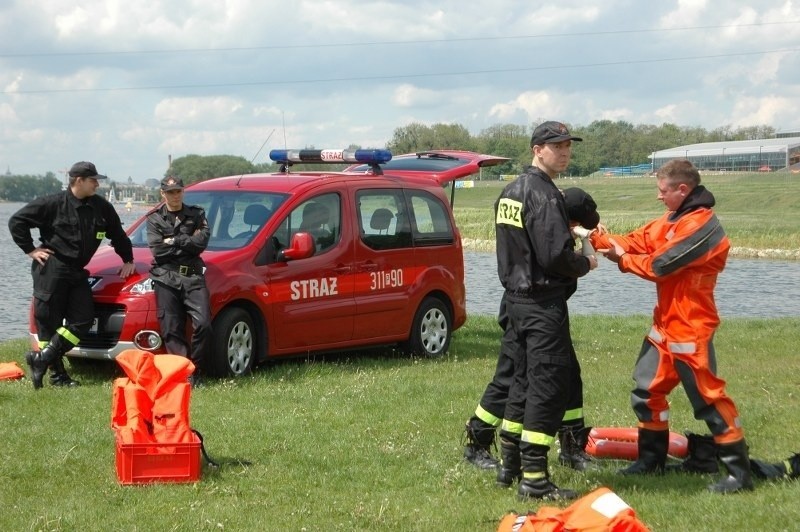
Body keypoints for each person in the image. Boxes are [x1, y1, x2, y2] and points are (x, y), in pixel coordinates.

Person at [589, 158, 753, 493]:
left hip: (691, 327)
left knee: (708, 399)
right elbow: (638, 240)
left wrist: (621, 259)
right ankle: (652, 461)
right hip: (665, 325)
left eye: (663, 191)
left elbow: (661, 265)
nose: (658, 197)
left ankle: (739, 473)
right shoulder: (672, 220)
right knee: (646, 392)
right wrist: (595, 238)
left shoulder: (704, 227)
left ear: (683, 189)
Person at [463, 188, 601, 482]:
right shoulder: (548, 233)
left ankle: (571, 446)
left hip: (538, 313)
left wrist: (583, 234)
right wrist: (584, 253)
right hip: (528, 313)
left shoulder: (549, 223)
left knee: (569, 377)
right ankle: (478, 441)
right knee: (511, 377)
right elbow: (560, 261)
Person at [495, 121, 598, 501]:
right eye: (558, 147)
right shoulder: (543, 195)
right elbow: (554, 256)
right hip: (541, 304)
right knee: (548, 385)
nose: (565, 153)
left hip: (516, 301)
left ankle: (510, 466)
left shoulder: (509, 191)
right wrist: (585, 262)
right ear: (538, 149)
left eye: (569, 146)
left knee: (521, 380)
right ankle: (535, 477)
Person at [8, 161, 136, 389]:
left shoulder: (101, 207)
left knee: (83, 320)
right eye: (93, 180)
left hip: (77, 272)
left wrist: (127, 260)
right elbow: (17, 221)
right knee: (49, 324)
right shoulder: (52, 203)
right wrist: (30, 249)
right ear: (79, 181)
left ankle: (42, 359)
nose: (97, 184)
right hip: (52, 268)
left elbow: (117, 234)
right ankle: (57, 376)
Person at [146, 176, 212, 386]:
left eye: (178, 191)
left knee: (203, 324)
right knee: (171, 329)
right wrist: (188, 241)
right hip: (166, 277)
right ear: (162, 194)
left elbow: (201, 243)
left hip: (192, 276)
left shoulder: (196, 213)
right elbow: (158, 250)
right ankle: (185, 375)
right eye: (171, 192)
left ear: (183, 192)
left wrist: (175, 240)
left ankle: (197, 368)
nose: (175, 196)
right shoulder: (154, 218)